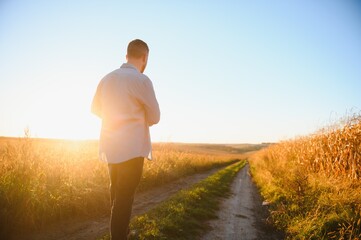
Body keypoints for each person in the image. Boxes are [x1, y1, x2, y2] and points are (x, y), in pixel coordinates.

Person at [91, 39, 160, 240]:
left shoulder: (107, 79)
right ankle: (119, 237)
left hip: (111, 147)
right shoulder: (142, 80)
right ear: (145, 57)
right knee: (123, 199)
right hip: (133, 149)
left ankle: (122, 233)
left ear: (126, 55)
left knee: (117, 194)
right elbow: (155, 117)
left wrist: (113, 117)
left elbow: (95, 109)